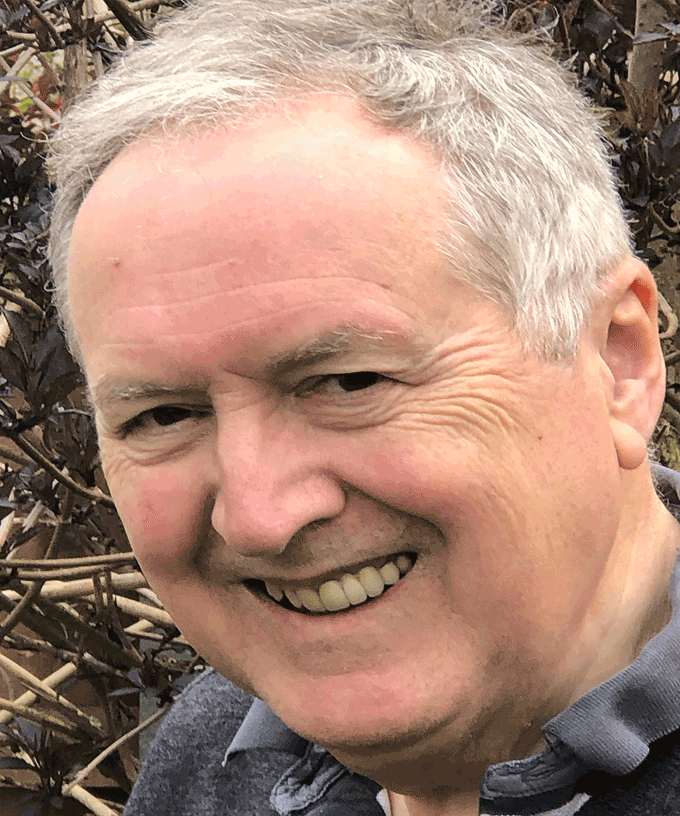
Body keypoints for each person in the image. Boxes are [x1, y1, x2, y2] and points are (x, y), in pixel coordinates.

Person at [48, 1, 680, 814]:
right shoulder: (214, 756)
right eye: (164, 416)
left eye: (348, 382)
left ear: (617, 361)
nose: (259, 517)